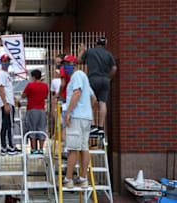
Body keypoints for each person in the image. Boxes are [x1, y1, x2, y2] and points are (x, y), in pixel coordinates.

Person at [62, 55, 96, 188]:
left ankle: (68, 179)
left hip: (76, 117)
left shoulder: (76, 76)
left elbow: (77, 93)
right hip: (86, 118)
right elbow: (93, 98)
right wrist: (87, 109)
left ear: (74, 64)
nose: (66, 65)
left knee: (73, 149)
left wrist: (68, 112)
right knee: (83, 148)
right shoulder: (84, 78)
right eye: (65, 63)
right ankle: (83, 179)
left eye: (68, 63)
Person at [77, 37, 117, 135]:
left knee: (91, 101)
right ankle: (101, 127)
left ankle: (93, 125)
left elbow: (78, 61)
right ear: (105, 44)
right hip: (105, 79)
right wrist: (109, 78)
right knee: (102, 103)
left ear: (96, 43)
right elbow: (114, 68)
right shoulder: (108, 54)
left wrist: (82, 50)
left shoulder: (90, 52)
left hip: (93, 79)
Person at [22, 69, 49, 154]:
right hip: (41, 109)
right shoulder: (45, 86)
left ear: (33, 77)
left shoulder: (30, 85)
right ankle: (41, 149)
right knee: (41, 129)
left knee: (32, 129)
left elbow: (23, 95)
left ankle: (33, 149)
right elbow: (46, 96)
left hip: (32, 109)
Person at [0, 54, 20, 155]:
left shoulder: (7, 74)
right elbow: (1, 89)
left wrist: (14, 99)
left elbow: (7, 90)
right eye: (5, 61)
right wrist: (6, 103)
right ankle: (9, 146)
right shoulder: (2, 74)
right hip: (7, 103)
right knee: (8, 125)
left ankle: (6, 146)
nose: (7, 63)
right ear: (1, 62)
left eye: (8, 61)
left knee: (7, 125)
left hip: (10, 102)